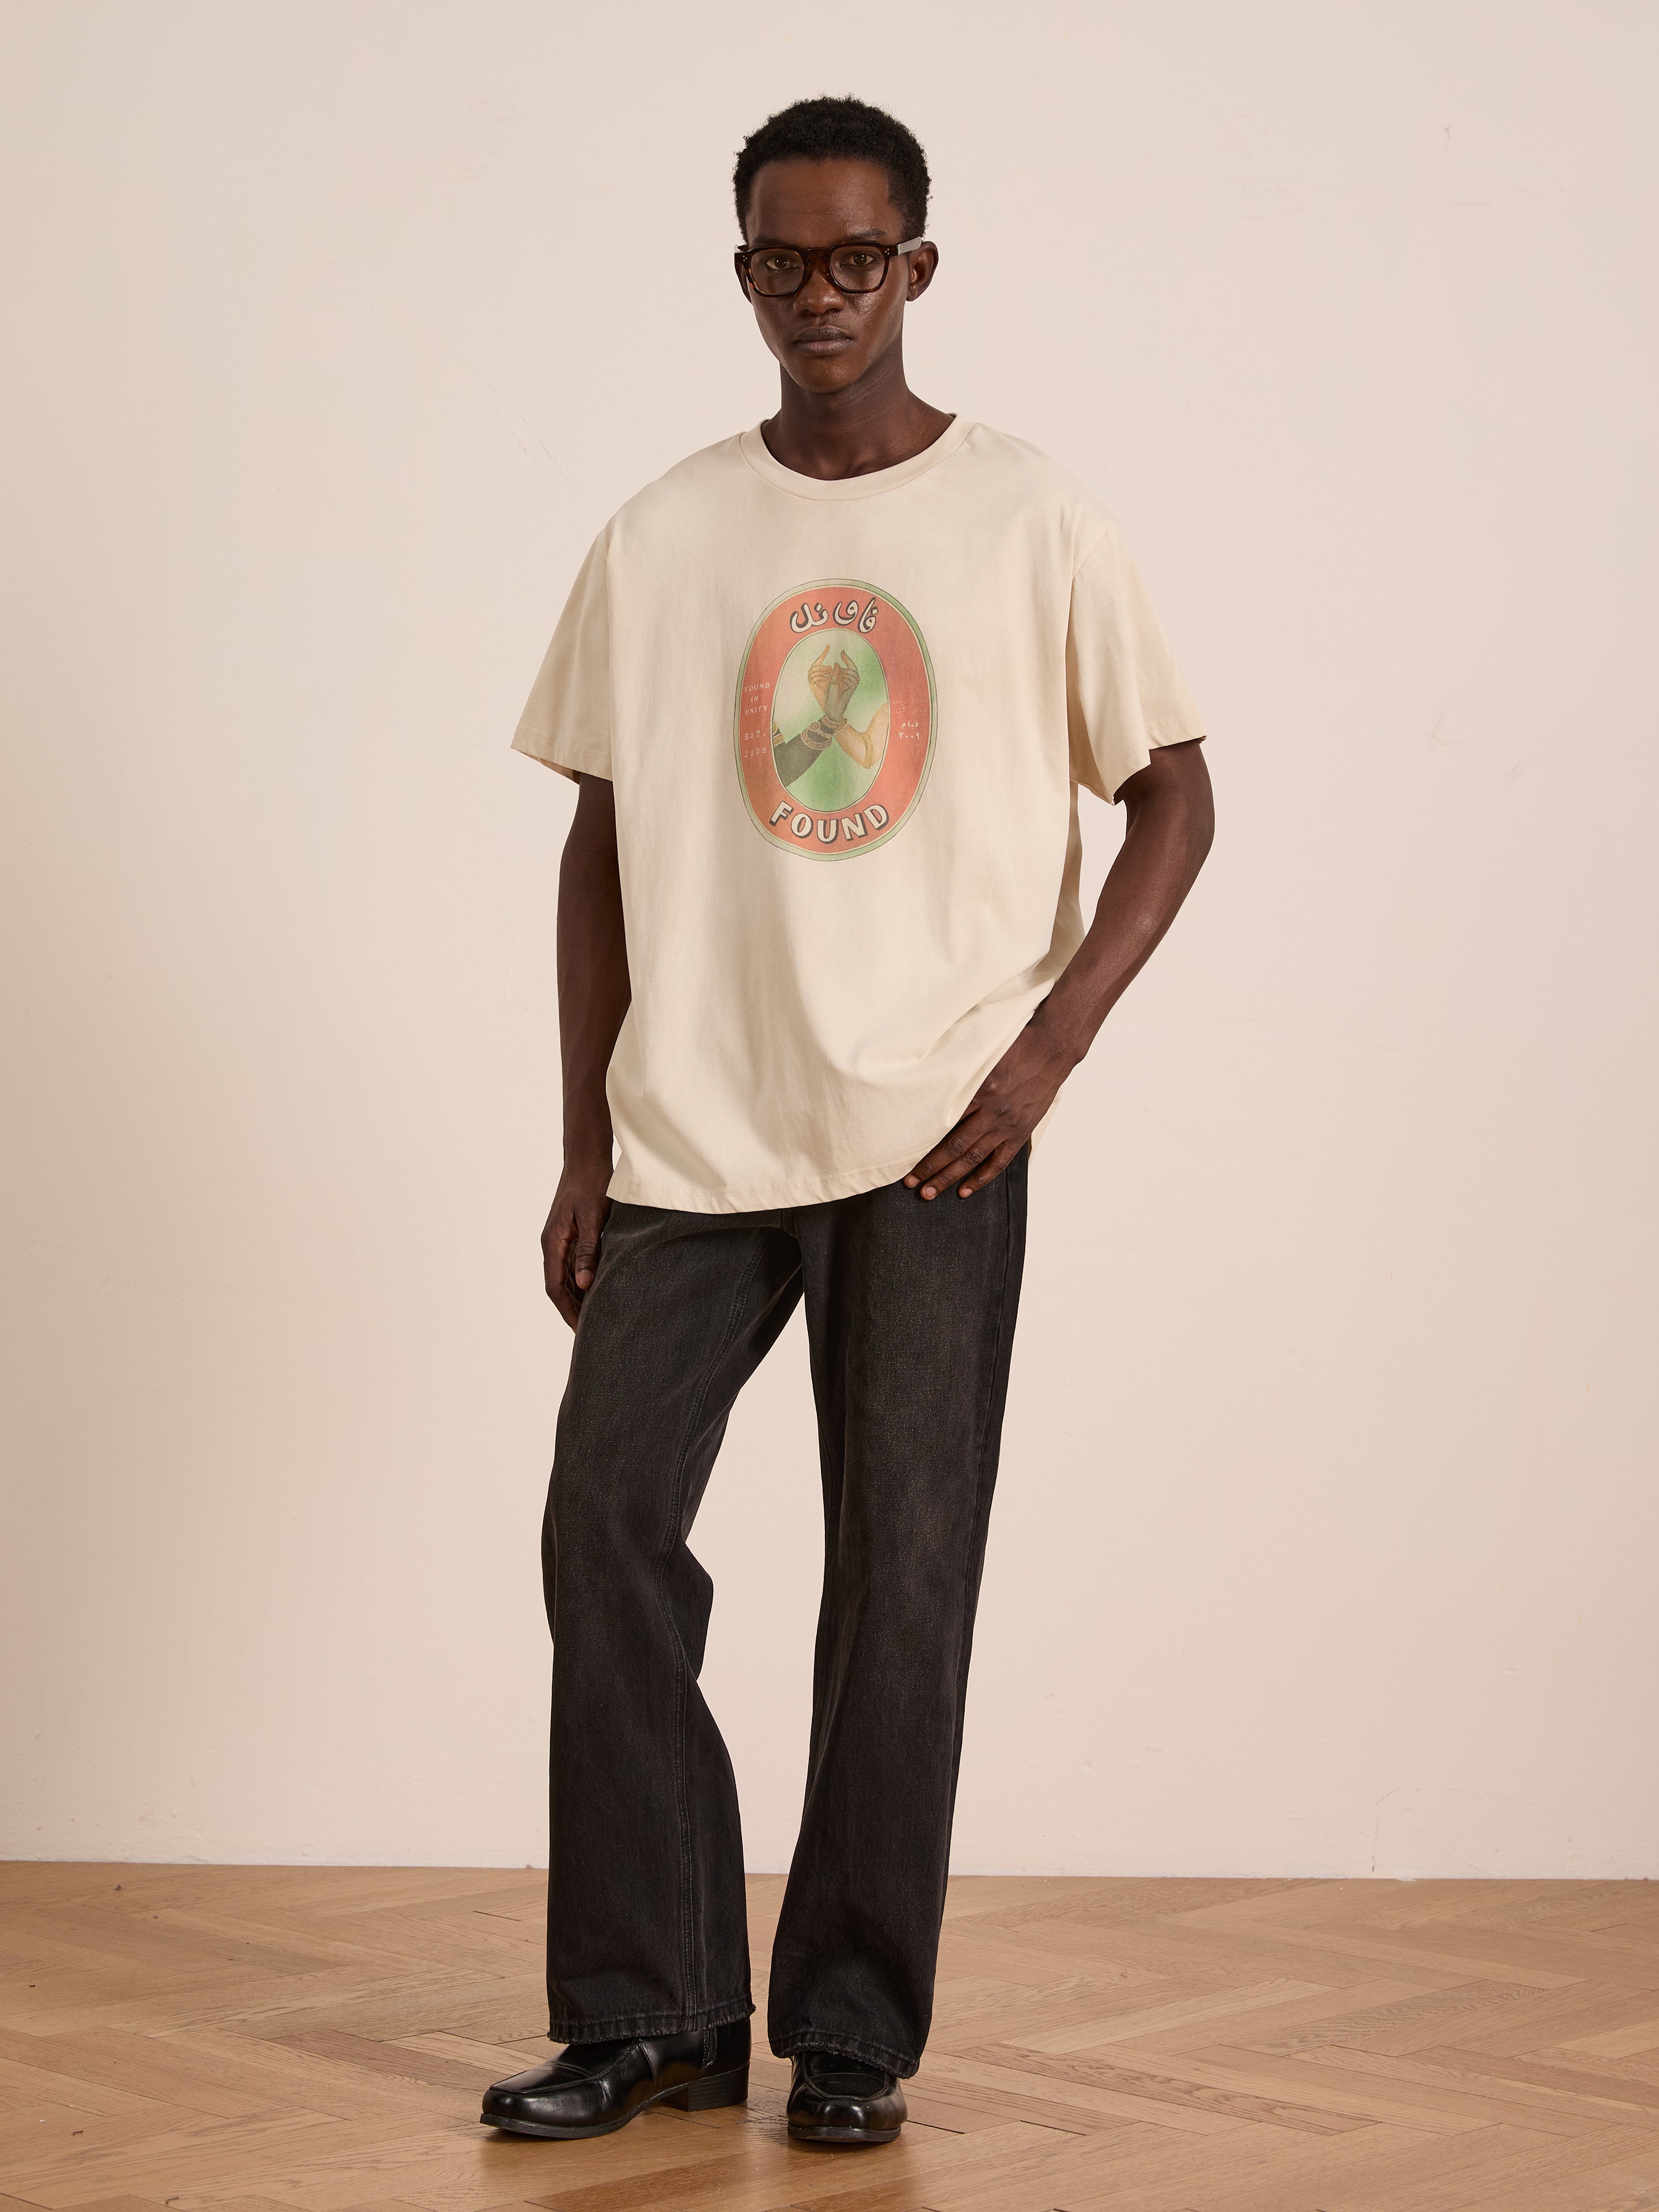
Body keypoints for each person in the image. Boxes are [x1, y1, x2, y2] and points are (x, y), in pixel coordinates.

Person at [481, 94, 1214, 2150]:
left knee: (903, 1583)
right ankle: (654, 2005)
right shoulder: (666, 530)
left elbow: (1176, 793)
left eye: (855, 259)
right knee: (603, 1529)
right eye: (777, 263)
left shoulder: (1032, 521)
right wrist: (579, 1141)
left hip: (934, 1138)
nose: (818, 296)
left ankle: (856, 2030)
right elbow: (598, 851)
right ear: (740, 276)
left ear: (918, 269)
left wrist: (1043, 1058)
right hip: (695, 1136)